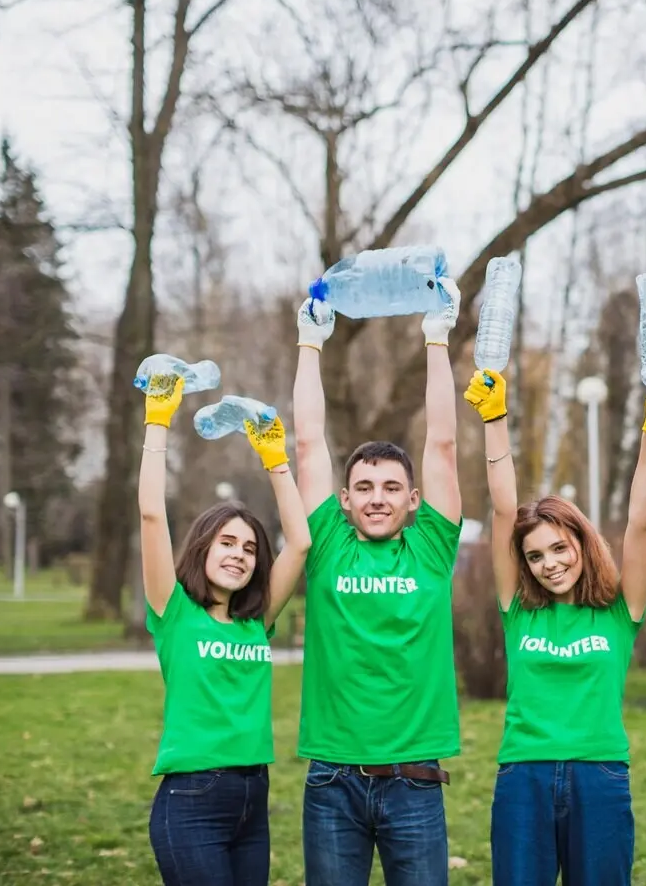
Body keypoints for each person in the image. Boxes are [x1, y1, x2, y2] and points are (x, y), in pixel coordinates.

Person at [464, 368, 646, 885]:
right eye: (536, 556)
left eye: (559, 548)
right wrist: (495, 420)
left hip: (601, 776)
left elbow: (640, 523)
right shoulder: (518, 610)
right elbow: (504, 510)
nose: (550, 563)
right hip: (524, 777)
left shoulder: (619, 610)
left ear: (582, 545)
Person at [291, 280, 465, 886]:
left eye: (391, 487)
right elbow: (309, 442)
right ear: (344, 499)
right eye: (364, 487)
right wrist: (309, 345)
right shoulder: (327, 547)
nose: (377, 498)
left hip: (414, 780)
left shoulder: (432, 550)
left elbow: (441, 442)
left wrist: (437, 338)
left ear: (414, 499)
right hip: (332, 778)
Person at [138, 373, 309, 886]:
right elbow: (150, 515)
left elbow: (299, 543)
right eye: (227, 543)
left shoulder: (257, 621)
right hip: (191, 801)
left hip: (253, 798)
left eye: (249, 548)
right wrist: (157, 421)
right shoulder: (174, 610)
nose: (239, 554)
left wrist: (275, 457)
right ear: (203, 548)